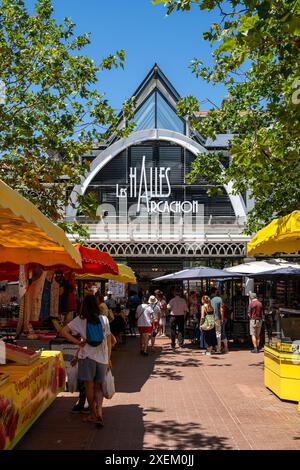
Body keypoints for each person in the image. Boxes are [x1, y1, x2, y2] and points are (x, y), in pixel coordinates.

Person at [61, 294, 112, 427]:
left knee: (89, 386)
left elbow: (63, 331)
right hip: (102, 358)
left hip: (87, 358)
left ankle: (93, 414)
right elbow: (109, 341)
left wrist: (78, 342)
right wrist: (108, 358)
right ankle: (99, 412)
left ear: (83, 306)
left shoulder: (80, 320)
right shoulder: (104, 319)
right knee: (98, 387)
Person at [210, 287, 224, 354]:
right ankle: (218, 348)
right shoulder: (219, 299)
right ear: (216, 292)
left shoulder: (208, 299)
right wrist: (222, 318)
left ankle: (212, 347)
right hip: (217, 318)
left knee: (211, 333)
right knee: (218, 333)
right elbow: (221, 310)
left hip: (210, 319)